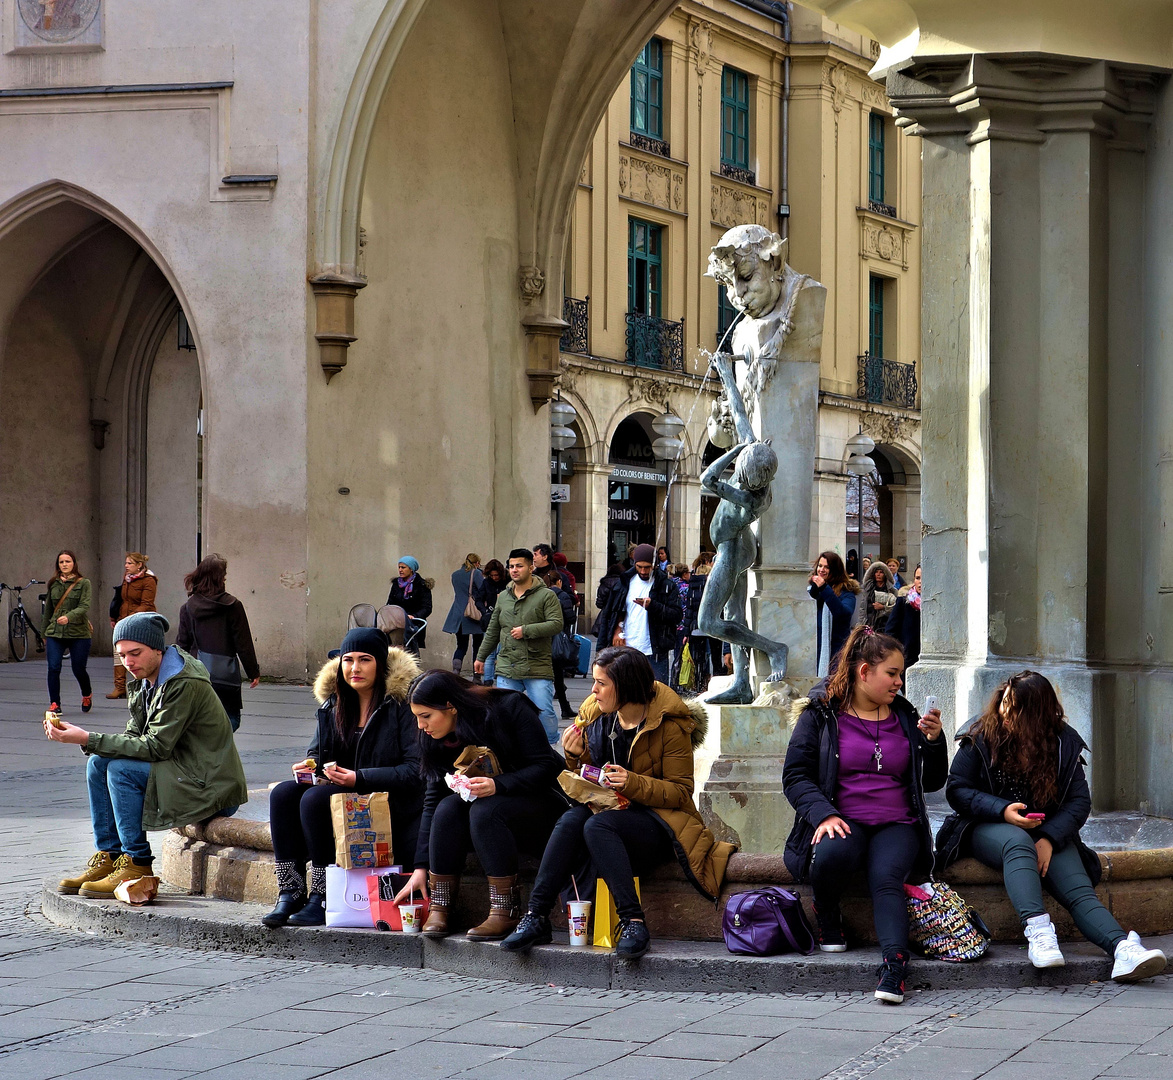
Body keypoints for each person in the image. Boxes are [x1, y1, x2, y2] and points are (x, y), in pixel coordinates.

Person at [503, 646, 735, 959]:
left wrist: (633, 783)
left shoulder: (670, 724)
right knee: (571, 821)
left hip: (658, 823)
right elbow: (585, 776)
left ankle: (633, 921)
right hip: (609, 814)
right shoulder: (596, 715)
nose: (593, 690)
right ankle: (536, 916)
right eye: (594, 682)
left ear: (624, 686)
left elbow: (681, 793)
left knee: (598, 826)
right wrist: (572, 755)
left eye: (601, 683)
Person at [936, 671, 1167, 982]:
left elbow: (1078, 803)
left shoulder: (1063, 743)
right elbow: (957, 790)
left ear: (1038, 715)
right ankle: (1039, 933)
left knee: (1079, 891)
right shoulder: (980, 734)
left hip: (1047, 833)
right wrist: (1002, 810)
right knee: (1016, 842)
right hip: (985, 826)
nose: (1006, 712)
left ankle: (1123, 950)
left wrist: (1048, 837)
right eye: (1005, 702)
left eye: (1016, 708)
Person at [783, 624, 946, 1004]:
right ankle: (826, 913)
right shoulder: (821, 715)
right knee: (833, 852)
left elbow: (934, 781)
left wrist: (934, 744)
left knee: (886, 877)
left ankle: (894, 966)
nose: (899, 682)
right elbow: (795, 775)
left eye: (900, 674)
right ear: (863, 672)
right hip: (842, 817)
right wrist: (822, 814)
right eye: (892, 673)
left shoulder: (906, 716)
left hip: (897, 823)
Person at [48, 613, 247, 898]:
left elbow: (156, 747)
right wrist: (87, 741)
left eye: (135, 653)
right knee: (98, 762)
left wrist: (87, 737)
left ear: (157, 649)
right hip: (181, 770)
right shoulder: (147, 680)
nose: (129, 662)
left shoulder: (183, 682)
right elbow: (133, 737)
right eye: (122, 656)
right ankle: (110, 856)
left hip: (209, 785)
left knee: (120, 770)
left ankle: (138, 863)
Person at [263, 629, 424, 927]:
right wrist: (310, 769)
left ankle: (323, 895)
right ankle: (291, 890)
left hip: (388, 800)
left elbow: (415, 771)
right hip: (344, 792)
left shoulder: (400, 705)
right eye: (347, 660)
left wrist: (358, 778)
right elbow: (317, 755)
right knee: (284, 794)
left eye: (365, 660)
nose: (355, 668)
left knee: (315, 799)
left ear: (381, 664)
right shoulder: (334, 703)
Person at [395, 670, 567, 940]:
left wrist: (500, 785)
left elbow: (546, 767)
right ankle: (440, 906)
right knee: (448, 808)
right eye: (416, 717)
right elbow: (433, 798)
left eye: (426, 716)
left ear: (450, 707)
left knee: (485, 809)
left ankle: (505, 911)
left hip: (542, 805)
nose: (420, 726)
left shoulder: (509, 708)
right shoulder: (434, 736)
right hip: (486, 817)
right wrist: (420, 866)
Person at [474, 549, 563, 741]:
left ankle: (549, 749)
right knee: (504, 714)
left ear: (531, 568)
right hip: (508, 665)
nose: (514, 570)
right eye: (511, 566)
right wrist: (481, 657)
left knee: (544, 712)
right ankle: (513, 753)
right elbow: (493, 629)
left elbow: (557, 624)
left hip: (536, 665)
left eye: (519, 566)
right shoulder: (504, 597)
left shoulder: (546, 595)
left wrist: (527, 630)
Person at [176, 554, 261, 732]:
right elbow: (243, 642)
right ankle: (218, 748)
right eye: (224, 575)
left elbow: (182, 645)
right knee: (231, 719)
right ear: (219, 578)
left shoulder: (188, 608)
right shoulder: (232, 605)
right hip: (225, 676)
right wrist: (253, 671)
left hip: (196, 674)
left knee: (199, 719)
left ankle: (207, 749)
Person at [594, 543, 682, 684]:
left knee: (657, 695)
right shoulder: (624, 583)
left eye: (647, 567)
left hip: (655, 651)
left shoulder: (666, 585)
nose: (643, 571)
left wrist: (653, 606)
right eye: (639, 566)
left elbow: (676, 615)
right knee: (626, 695)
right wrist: (616, 630)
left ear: (655, 565)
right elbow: (610, 614)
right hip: (627, 649)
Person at [42, 550, 93, 713]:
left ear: (74, 563)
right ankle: (55, 703)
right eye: (61, 562)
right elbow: (48, 609)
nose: (64, 565)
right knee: (53, 667)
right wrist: (44, 633)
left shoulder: (84, 583)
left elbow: (84, 606)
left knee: (78, 668)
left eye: (68, 561)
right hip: (55, 632)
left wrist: (69, 617)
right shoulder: (53, 583)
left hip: (78, 632)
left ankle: (86, 694)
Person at [107, 552, 157, 700]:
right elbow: (121, 599)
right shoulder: (127, 578)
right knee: (118, 653)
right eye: (126, 563)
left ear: (139, 565)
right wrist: (114, 616)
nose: (126, 566)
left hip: (139, 621)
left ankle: (143, 686)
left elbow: (146, 604)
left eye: (129, 563)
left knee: (137, 654)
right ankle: (119, 687)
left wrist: (130, 619)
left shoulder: (149, 580)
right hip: (123, 619)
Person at [807, 551, 859, 677]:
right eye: (820, 566)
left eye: (827, 567)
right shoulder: (810, 591)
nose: (822, 570)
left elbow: (843, 614)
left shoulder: (847, 592)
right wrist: (816, 589)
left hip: (836, 651)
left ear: (835, 570)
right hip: (812, 651)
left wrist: (825, 589)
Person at [541, 567, 578, 720]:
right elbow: (570, 618)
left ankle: (562, 707)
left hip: (542, 639)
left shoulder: (540, 595)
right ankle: (564, 708)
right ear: (559, 582)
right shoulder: (563, 596)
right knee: (557, 675)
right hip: (557, 640)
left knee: (546, 676)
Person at [442, 554, 485, 678]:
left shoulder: (455, 575)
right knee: (477, 645)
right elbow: (482, 590)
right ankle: (476, 676)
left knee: (461, 645)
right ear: (477, 563)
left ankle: (456, 671)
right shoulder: (476, 573)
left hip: (457, 613)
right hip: (473, 612)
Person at [387, 557, 432, 655]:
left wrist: (414, 616)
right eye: (399, 567)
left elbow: (427, 607)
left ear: (411, 569)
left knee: (411, 650)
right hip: (396, 623)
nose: (400, 570)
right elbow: (390, 603)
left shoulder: (422, 585)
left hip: (414, 623)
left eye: (403, 567)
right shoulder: (396, 584)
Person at [885, 564, 921, 667]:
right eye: (917, 578)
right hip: (906, 660)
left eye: (924, 578)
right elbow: (890, 631)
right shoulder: (904, 602)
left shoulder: (937, 606)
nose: (920, 582)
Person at [478, 559, 507, 684]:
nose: (494, 578)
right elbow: (478, 599)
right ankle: (488, 682)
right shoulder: (486, 583)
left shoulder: (508, 582)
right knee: (490, 653)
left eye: (497, 575)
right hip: (491, 618)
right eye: (492, 575)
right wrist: (485, 611)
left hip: (505, 618)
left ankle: (499, 679)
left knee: (502, 651)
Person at [855, 562, 897, 631]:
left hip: (885, 624)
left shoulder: (892, 591)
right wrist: (860, 625)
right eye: (876, 572)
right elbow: (862, 608)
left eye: (881, 572)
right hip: (869, 622)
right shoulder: (867, 590)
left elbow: (895, 609)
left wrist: (883, 607)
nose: (878, 574)